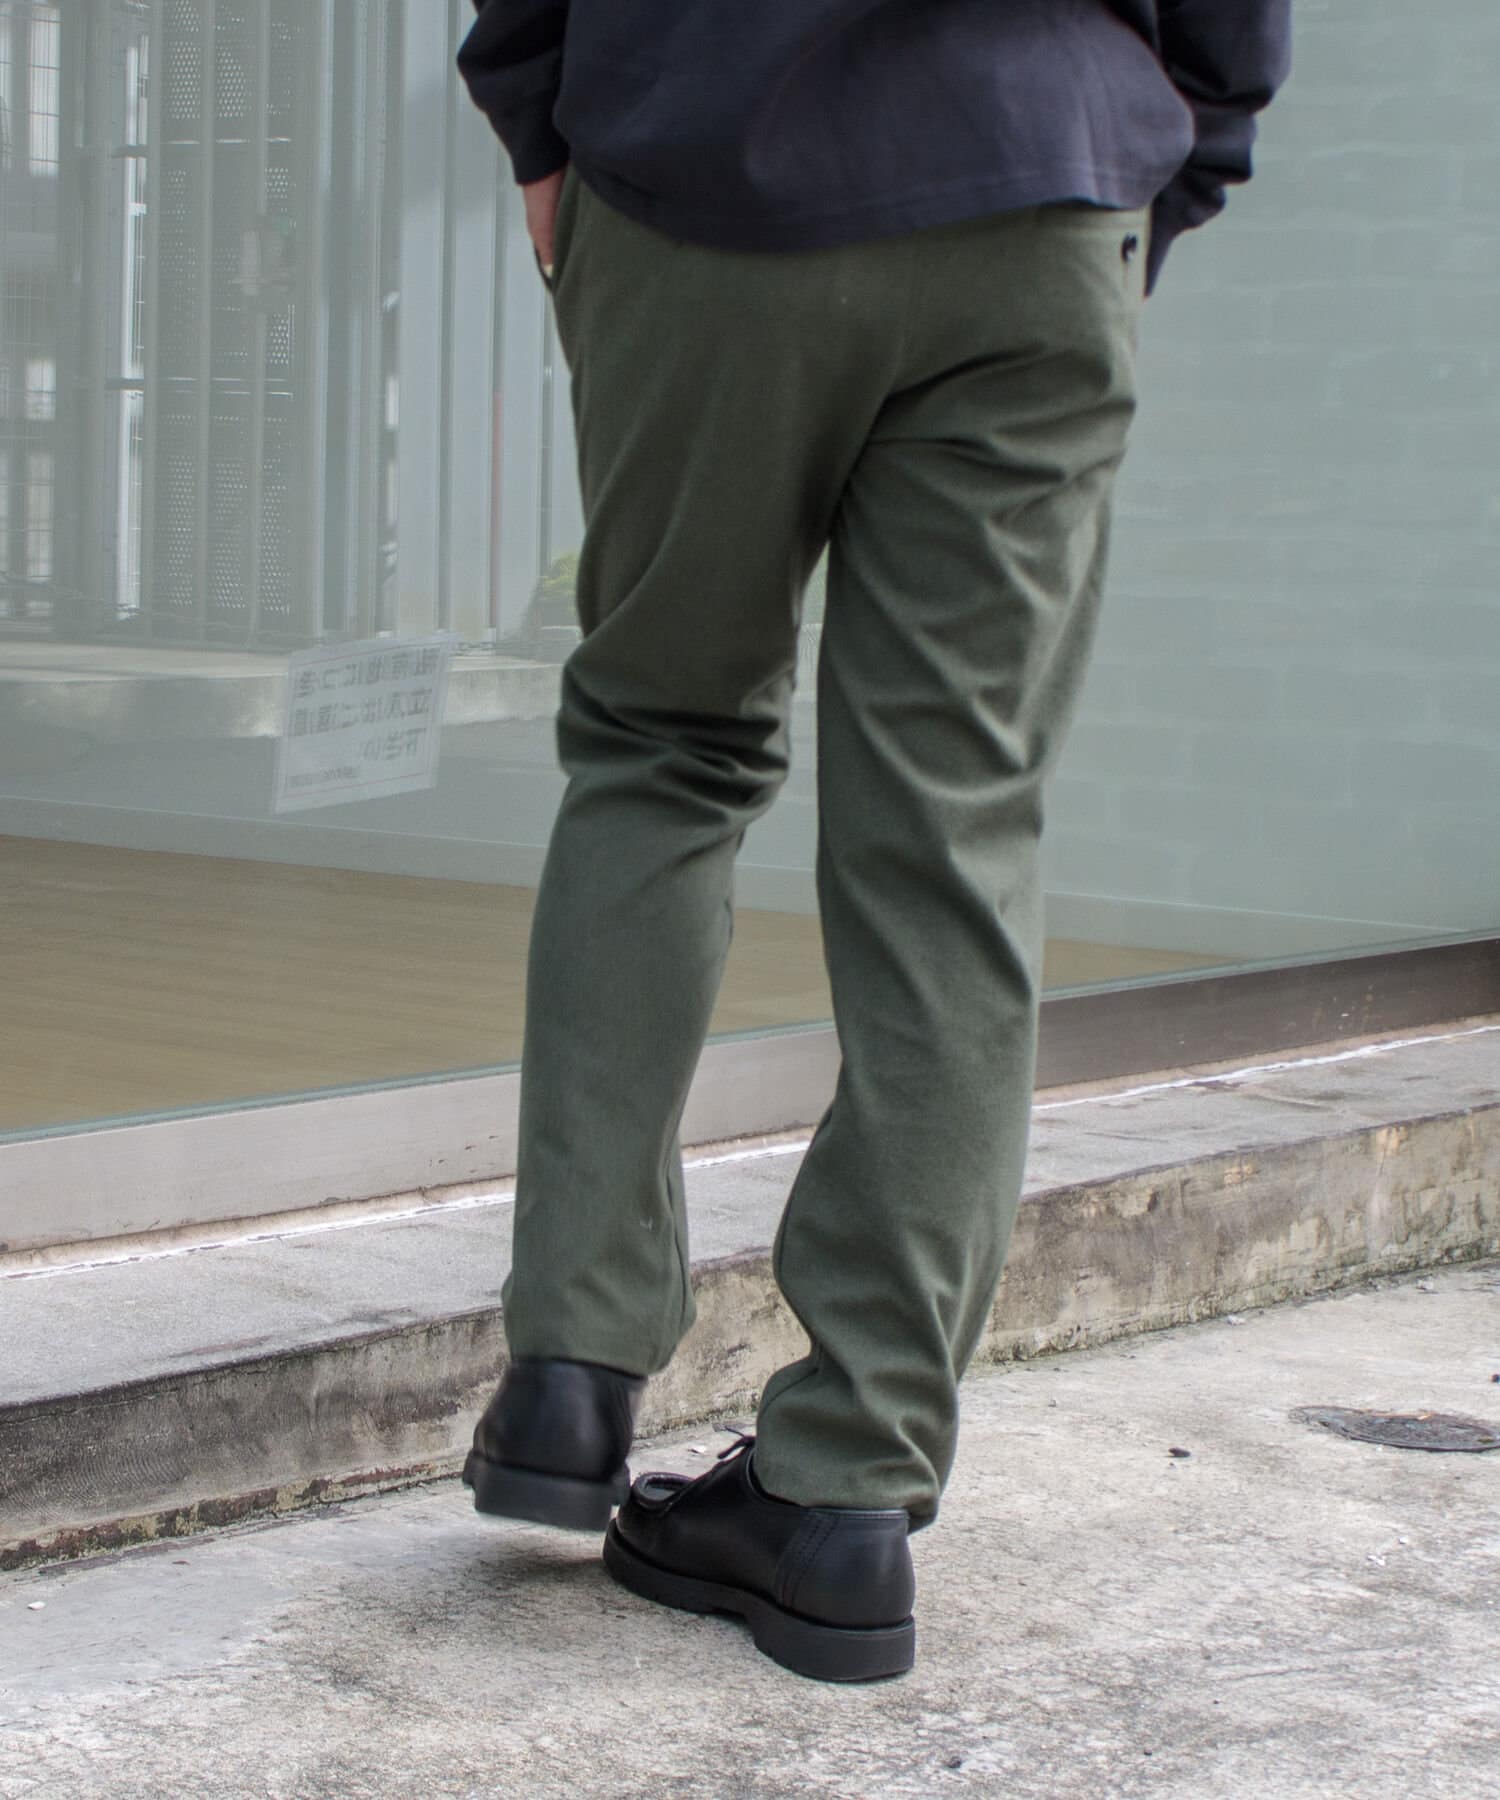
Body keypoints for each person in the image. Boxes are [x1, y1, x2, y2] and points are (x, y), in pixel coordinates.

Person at [456, 0, 1290, 1683]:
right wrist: (1175, 152)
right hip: (1040, 178)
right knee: (953, 833)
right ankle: (846, 1491)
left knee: (663, 748)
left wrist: (537, 110)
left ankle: (571, 1370)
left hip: (701, 157)